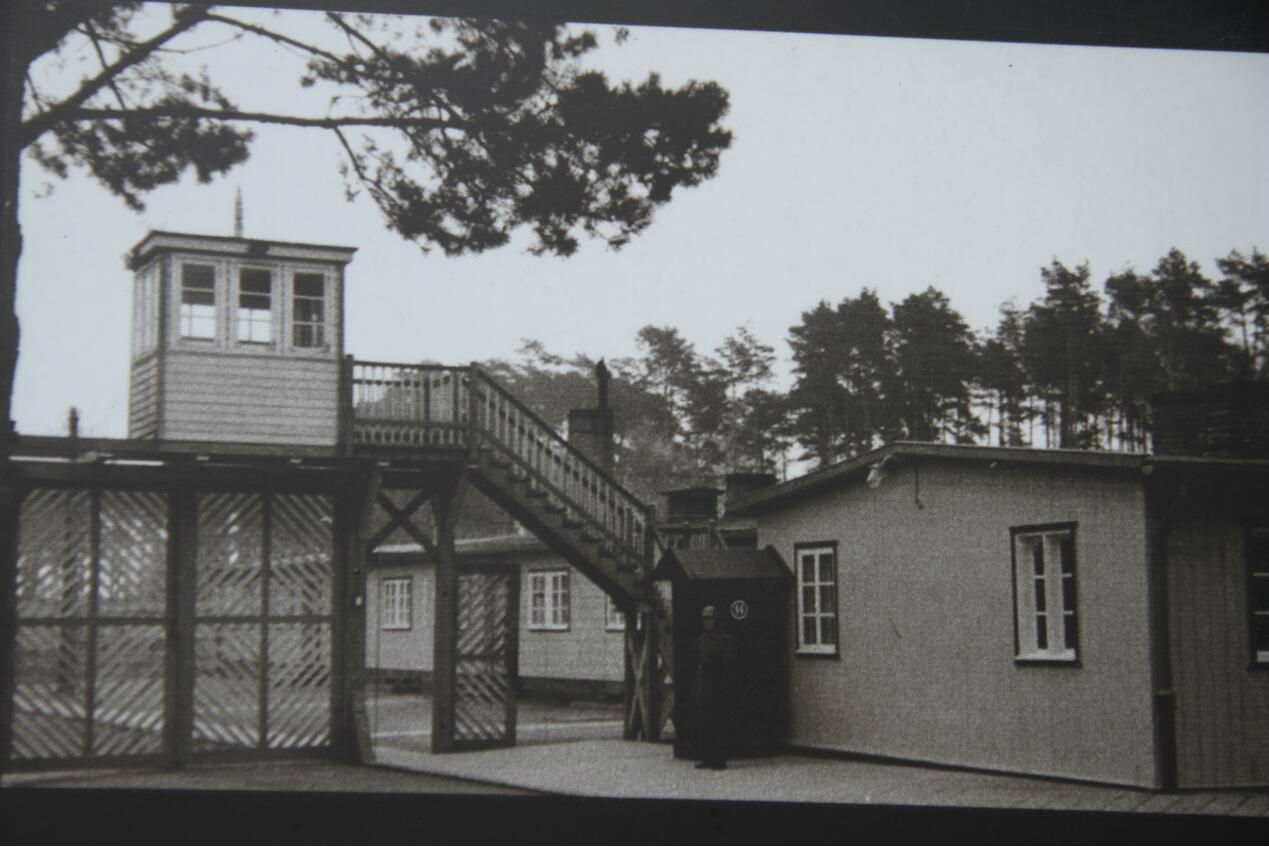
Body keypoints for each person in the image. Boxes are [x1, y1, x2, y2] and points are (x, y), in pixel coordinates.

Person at [692, 604, 737, 770]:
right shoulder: (700, 640)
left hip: (719, 688)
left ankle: (719, 759)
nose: (707, 622)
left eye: (710, 618)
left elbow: (729, 666)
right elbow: (695, 663)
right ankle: (707, 757)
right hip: (704, 688)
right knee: (705, 724)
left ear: (716, 619)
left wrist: (726, 688)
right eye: (704, 618)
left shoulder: (725, 640)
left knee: (719, 724)